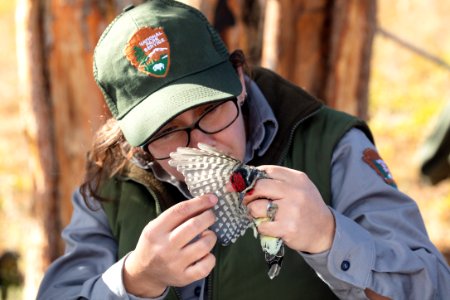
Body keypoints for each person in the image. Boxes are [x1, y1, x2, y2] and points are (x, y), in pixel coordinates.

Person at [37, 0, 450, 299]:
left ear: (238, 81)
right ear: (131, 138)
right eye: (166, 131)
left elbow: (433, 288)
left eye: (210, 111)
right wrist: (134, 280)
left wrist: (328, 236)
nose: (199, 144)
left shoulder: (332, 147)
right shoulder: (113, 182)